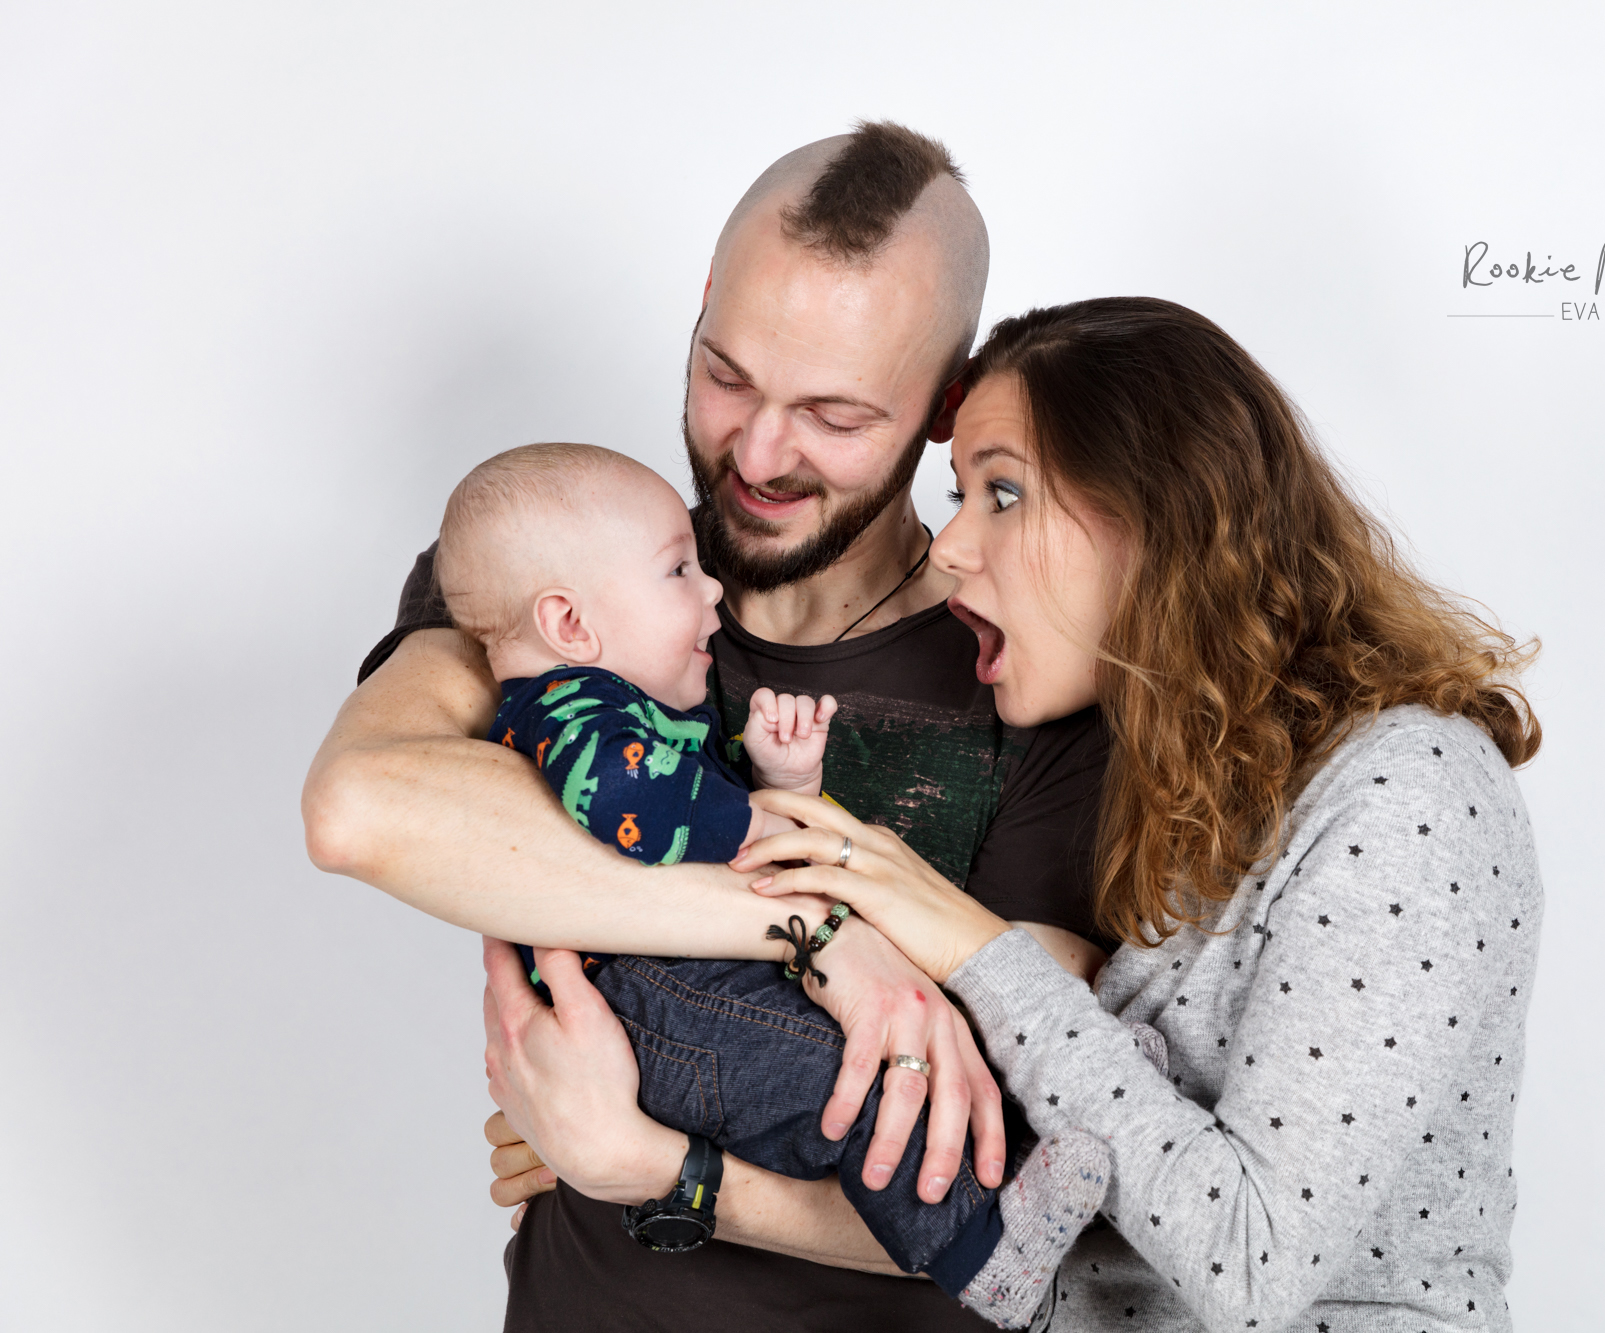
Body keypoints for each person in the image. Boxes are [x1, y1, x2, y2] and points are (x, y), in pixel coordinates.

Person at [491, 297, 1545, 1331]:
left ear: (1160, 517)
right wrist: (651, 1125)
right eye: (961, 493)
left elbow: (1246, 1260)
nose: (948, 546)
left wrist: (954, 934)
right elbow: (1039, 1196)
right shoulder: (1177, 784)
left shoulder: (1410, 789)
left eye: (1002, 493)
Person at [305, 123, 1112, 1331]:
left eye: (833, 414)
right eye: (727, 374)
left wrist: (649, 1165)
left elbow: (1027, 1171)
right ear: (699, 308)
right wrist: (823, 935)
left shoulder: (1029, 666)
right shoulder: (556, 570)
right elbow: (362, 808)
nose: (758, 452)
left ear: (946, 403)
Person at [436, 438, 1115, 1323]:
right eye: (678, 571)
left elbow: (690, 821)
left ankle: (1080, 1107)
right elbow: (635, 805)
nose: (711, 589)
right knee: (831, 1078)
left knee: (867, 1053)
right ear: (569, 625)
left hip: (686, 985)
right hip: (646, 998)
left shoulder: (625, 710)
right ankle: (982, 1248)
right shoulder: (568, 707)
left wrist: (781, 781)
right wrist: (760, 823)